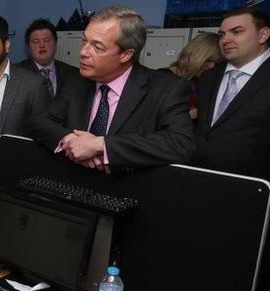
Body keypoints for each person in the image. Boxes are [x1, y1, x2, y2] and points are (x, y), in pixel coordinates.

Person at [27, 5, 194, 173]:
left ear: (126, 54)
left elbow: (180, 143)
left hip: (128, 190)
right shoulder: (77, 82)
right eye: (84, 41)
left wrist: (101, 145)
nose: (83, 52)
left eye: (97, 47)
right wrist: (70, 140)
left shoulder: (166, 89)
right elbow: (40, 122)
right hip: (74, 183)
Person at [191, 8, 270, 180]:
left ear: (263, 35)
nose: (226, 40)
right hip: (198, 177)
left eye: (237, 32)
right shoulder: (208, 78)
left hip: (253, 186)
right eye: (222, 34)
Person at [161, 32, 223, 119]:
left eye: (217, 62)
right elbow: (150, 116)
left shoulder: (204, 81)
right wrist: (186, 115)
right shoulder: (163, 77)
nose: (212, 66)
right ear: (196, 55)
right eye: (209, 60)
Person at [17, 18, 79, 99]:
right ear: (28, 47)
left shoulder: (73, 74)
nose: (42, 45)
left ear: (55, 43)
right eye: (36, 41)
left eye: (46, 40)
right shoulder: (16, 74)